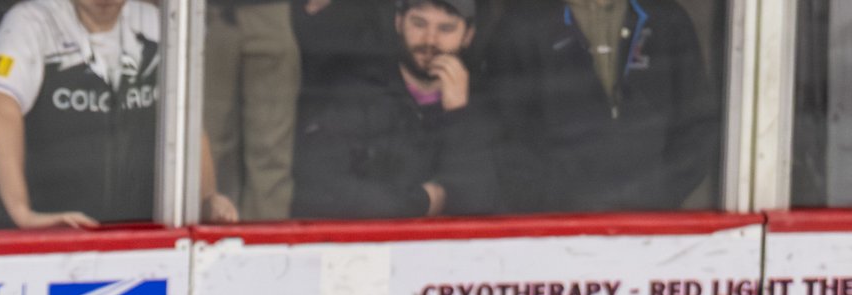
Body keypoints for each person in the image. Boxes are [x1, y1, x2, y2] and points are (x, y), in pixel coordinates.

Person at [0, 0, 239, 226]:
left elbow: (186, 121)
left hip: (144, 232)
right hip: (56, 231)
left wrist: (206, 200)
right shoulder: (30, 22)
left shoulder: (157, 23)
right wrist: (24, 214)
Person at [484, 0, 716, 213]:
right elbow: (505, 131)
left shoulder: (666, 19)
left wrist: (658, 196)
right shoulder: (523, 24)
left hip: (650, 223)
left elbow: (697, 123)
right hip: (555, 225)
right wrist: (549, 205)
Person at [291, 0, 498, 219]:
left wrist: (458, 115)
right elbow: (317, 189)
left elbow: (486, 204)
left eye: (446, 28)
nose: (430, 40)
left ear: (468, 35)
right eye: (419, 24)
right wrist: (422, 202)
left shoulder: (488, 102)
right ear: (398, 22)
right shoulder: (358, 91)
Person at [207, 0, 300, 220]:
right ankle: (214, 239)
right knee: (208, 147)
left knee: (271, 151)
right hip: (203, 14)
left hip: (273, 11)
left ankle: (265, 246)